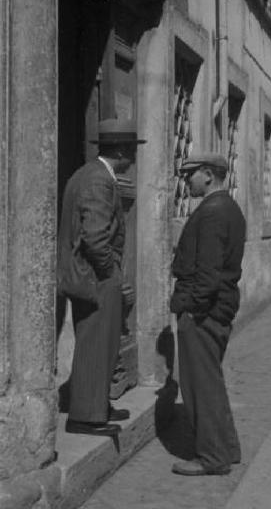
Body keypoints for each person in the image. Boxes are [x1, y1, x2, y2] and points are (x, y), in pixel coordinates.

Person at [57, 129, 144, 436]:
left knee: (101, 343)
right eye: (131, 151)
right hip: (96, 278)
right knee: (96, 344)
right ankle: (85, 416)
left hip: (91, 276)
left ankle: (98, 406)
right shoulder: (98, 179)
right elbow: (95, 237)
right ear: (120, 152)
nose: (133, 157)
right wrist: (111, 273)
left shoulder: (88, 174)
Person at [170, 153, 246, 475]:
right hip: (216, 308)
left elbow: (208, 274)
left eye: (191, 175)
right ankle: (227, 448)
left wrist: (191, 310)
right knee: (211, 382)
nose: (187, 181)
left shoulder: (214, 212)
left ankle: (212, 458)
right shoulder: (226, 208)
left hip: (205, 312)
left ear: (207, 174)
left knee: (200, 386)